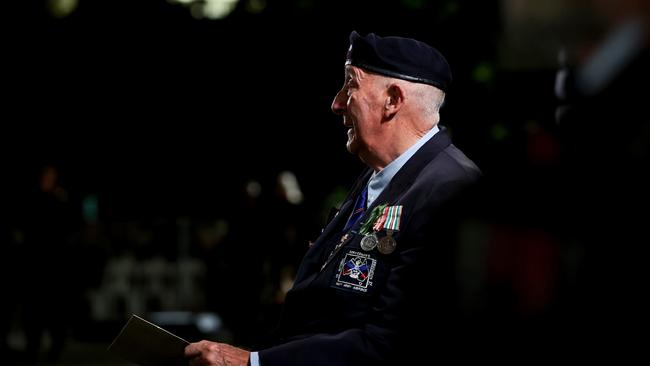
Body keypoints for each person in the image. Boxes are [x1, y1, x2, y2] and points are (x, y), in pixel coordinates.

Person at [185, 31, 481, 366]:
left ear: (393, 100)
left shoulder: (451, 187)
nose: (337, 102)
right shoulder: (379, 176)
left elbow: (394, 342)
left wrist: (253, 362)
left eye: (350, 84)